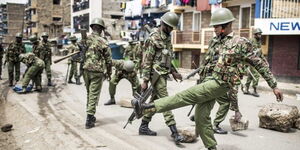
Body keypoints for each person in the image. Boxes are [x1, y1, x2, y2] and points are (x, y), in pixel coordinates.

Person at [132, 8, 283, 150]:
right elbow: (207, 64)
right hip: (208, 82)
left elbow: (260, 65)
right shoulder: (216, 41)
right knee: (200, 117)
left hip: (221, 83)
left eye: (216, 26)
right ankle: (212, 147)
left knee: (184, 96)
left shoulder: (241, 43)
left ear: (226, 25)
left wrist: (274, 86)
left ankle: (146, 108)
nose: (214, 29)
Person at [139, 12, 184, 144]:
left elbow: (168, 58)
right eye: (169, 27)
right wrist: (145, 81)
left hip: (164, 74)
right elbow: (147, 61)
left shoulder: (167, 38)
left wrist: (174, 72)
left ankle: (143, 126)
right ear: (163, 24)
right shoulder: (153, 38)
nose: (171, 30)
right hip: (155, 75)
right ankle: (175, 132)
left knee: (156, 102)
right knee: (166, 102)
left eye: (172, 28)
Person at [83, 18, 112, 129]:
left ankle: (90, 115)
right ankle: (89, 119)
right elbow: (108, 61)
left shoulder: (86, 39)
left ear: (92, 27)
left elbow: (80, 53)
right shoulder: (103, 42)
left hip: (86, 70)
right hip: (97, 71)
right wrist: (109, 73)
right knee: (93, 94)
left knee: (89, 93)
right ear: (101, 29)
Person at [244, 28, 265, 97]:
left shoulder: (259, 42)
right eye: (259, 34)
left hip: (257, 61)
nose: (260, 35)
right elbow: (246, 50)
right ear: (255, 34)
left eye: (260, 34)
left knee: (250, 76)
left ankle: (246, 89)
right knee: (256, 75)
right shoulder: (251, 41)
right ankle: (254, 90)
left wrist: (264, 60)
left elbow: (260, 52)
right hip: (251, 61)